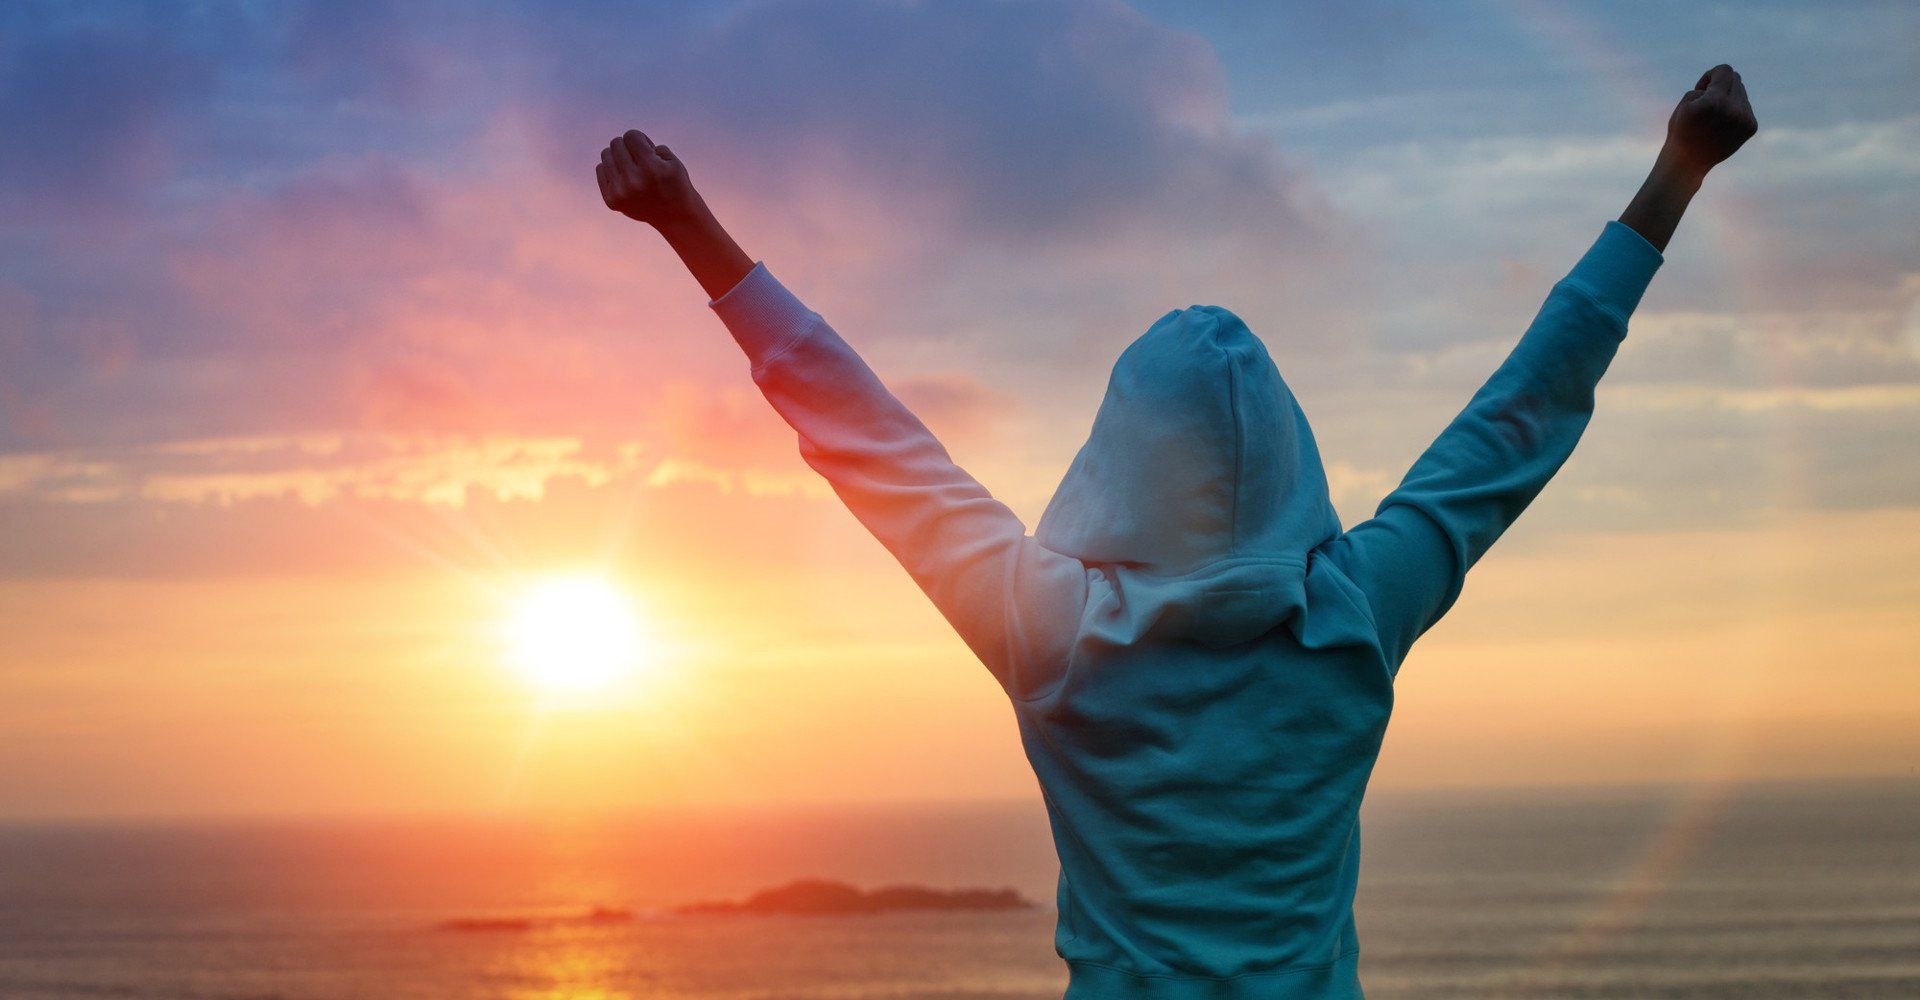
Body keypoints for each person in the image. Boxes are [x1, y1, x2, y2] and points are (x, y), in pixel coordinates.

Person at [596, 65, 1757, 1000]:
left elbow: (874, 442)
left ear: (1115, 459)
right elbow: (1518, 420)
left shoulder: (1050, 627)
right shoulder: (1355, 607)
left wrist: (688, 226)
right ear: (1292, 450)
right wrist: (1678, 174)